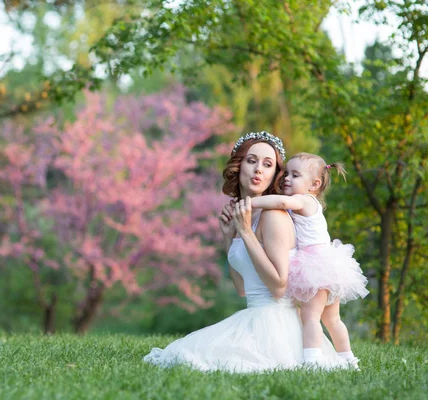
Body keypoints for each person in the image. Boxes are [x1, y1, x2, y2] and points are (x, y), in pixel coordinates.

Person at [143, 132, 349, 373]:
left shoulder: (274, 216)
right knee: (187, 353)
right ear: (238, 165)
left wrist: (247, 234)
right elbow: (243, 289)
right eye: (252, 161)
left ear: (276, 174)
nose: (258, 170)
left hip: (276, 325)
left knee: (204, 359)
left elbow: (278, 287)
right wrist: (229, 237)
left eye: (268, 164)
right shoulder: (248, 217)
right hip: (253, 315)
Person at [249, 152, 369, 368]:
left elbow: (281, 201)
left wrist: (252, 202)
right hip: (328, 267)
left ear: (314, 184)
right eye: (286, 173)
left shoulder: (301, 200)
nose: (286, 178)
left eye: (295, 175)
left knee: (310, 316)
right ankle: (349, 359)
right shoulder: (311, 202)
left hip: (315, 267)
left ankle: (312, 360)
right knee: (332, 320)